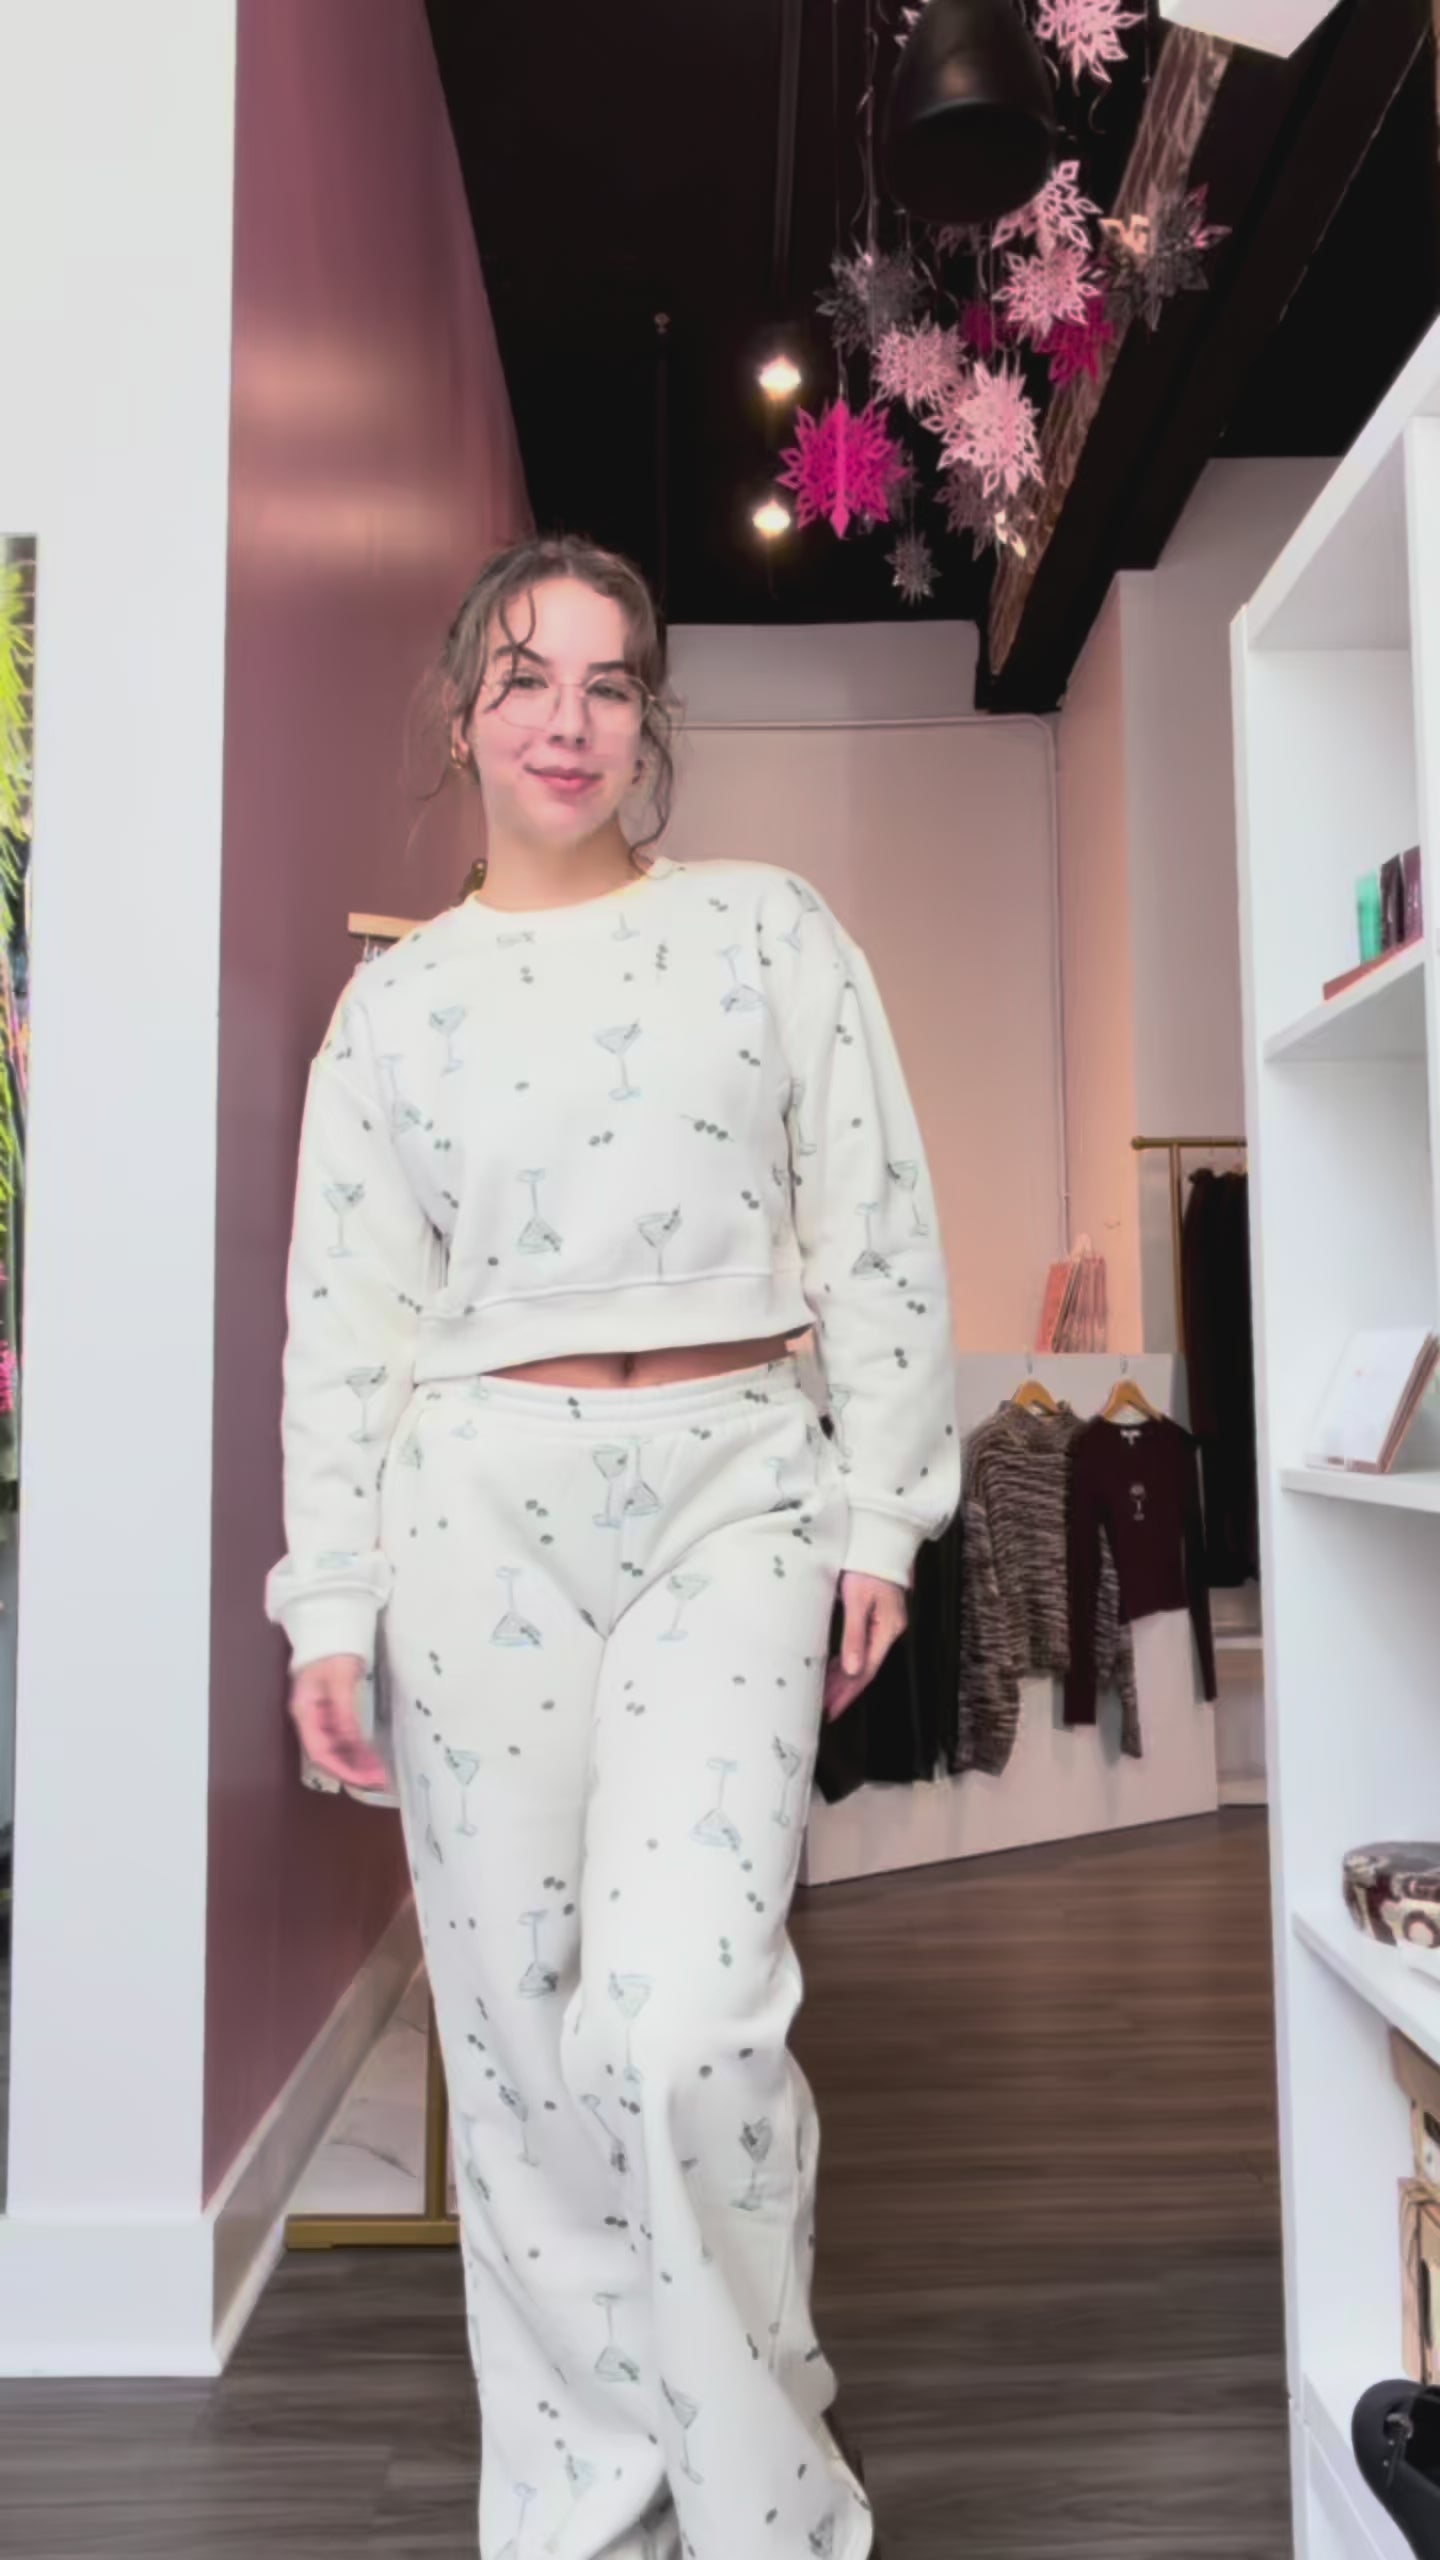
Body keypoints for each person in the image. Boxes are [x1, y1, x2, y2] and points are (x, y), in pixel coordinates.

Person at [266, 534, 959, 2560]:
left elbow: (876, 1225)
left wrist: (885, 1505)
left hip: (738, 1485)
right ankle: (585, 2507)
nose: (566, 720)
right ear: (463, 715)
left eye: (607, 681)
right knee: (519, 2043)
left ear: (651, 719)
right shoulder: (395, 1011)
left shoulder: (766, 930)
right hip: (475, 1506)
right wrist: (329, 1598)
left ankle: (764, 2498)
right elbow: (346, 1326)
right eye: (524, 678)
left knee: (679, 2020)